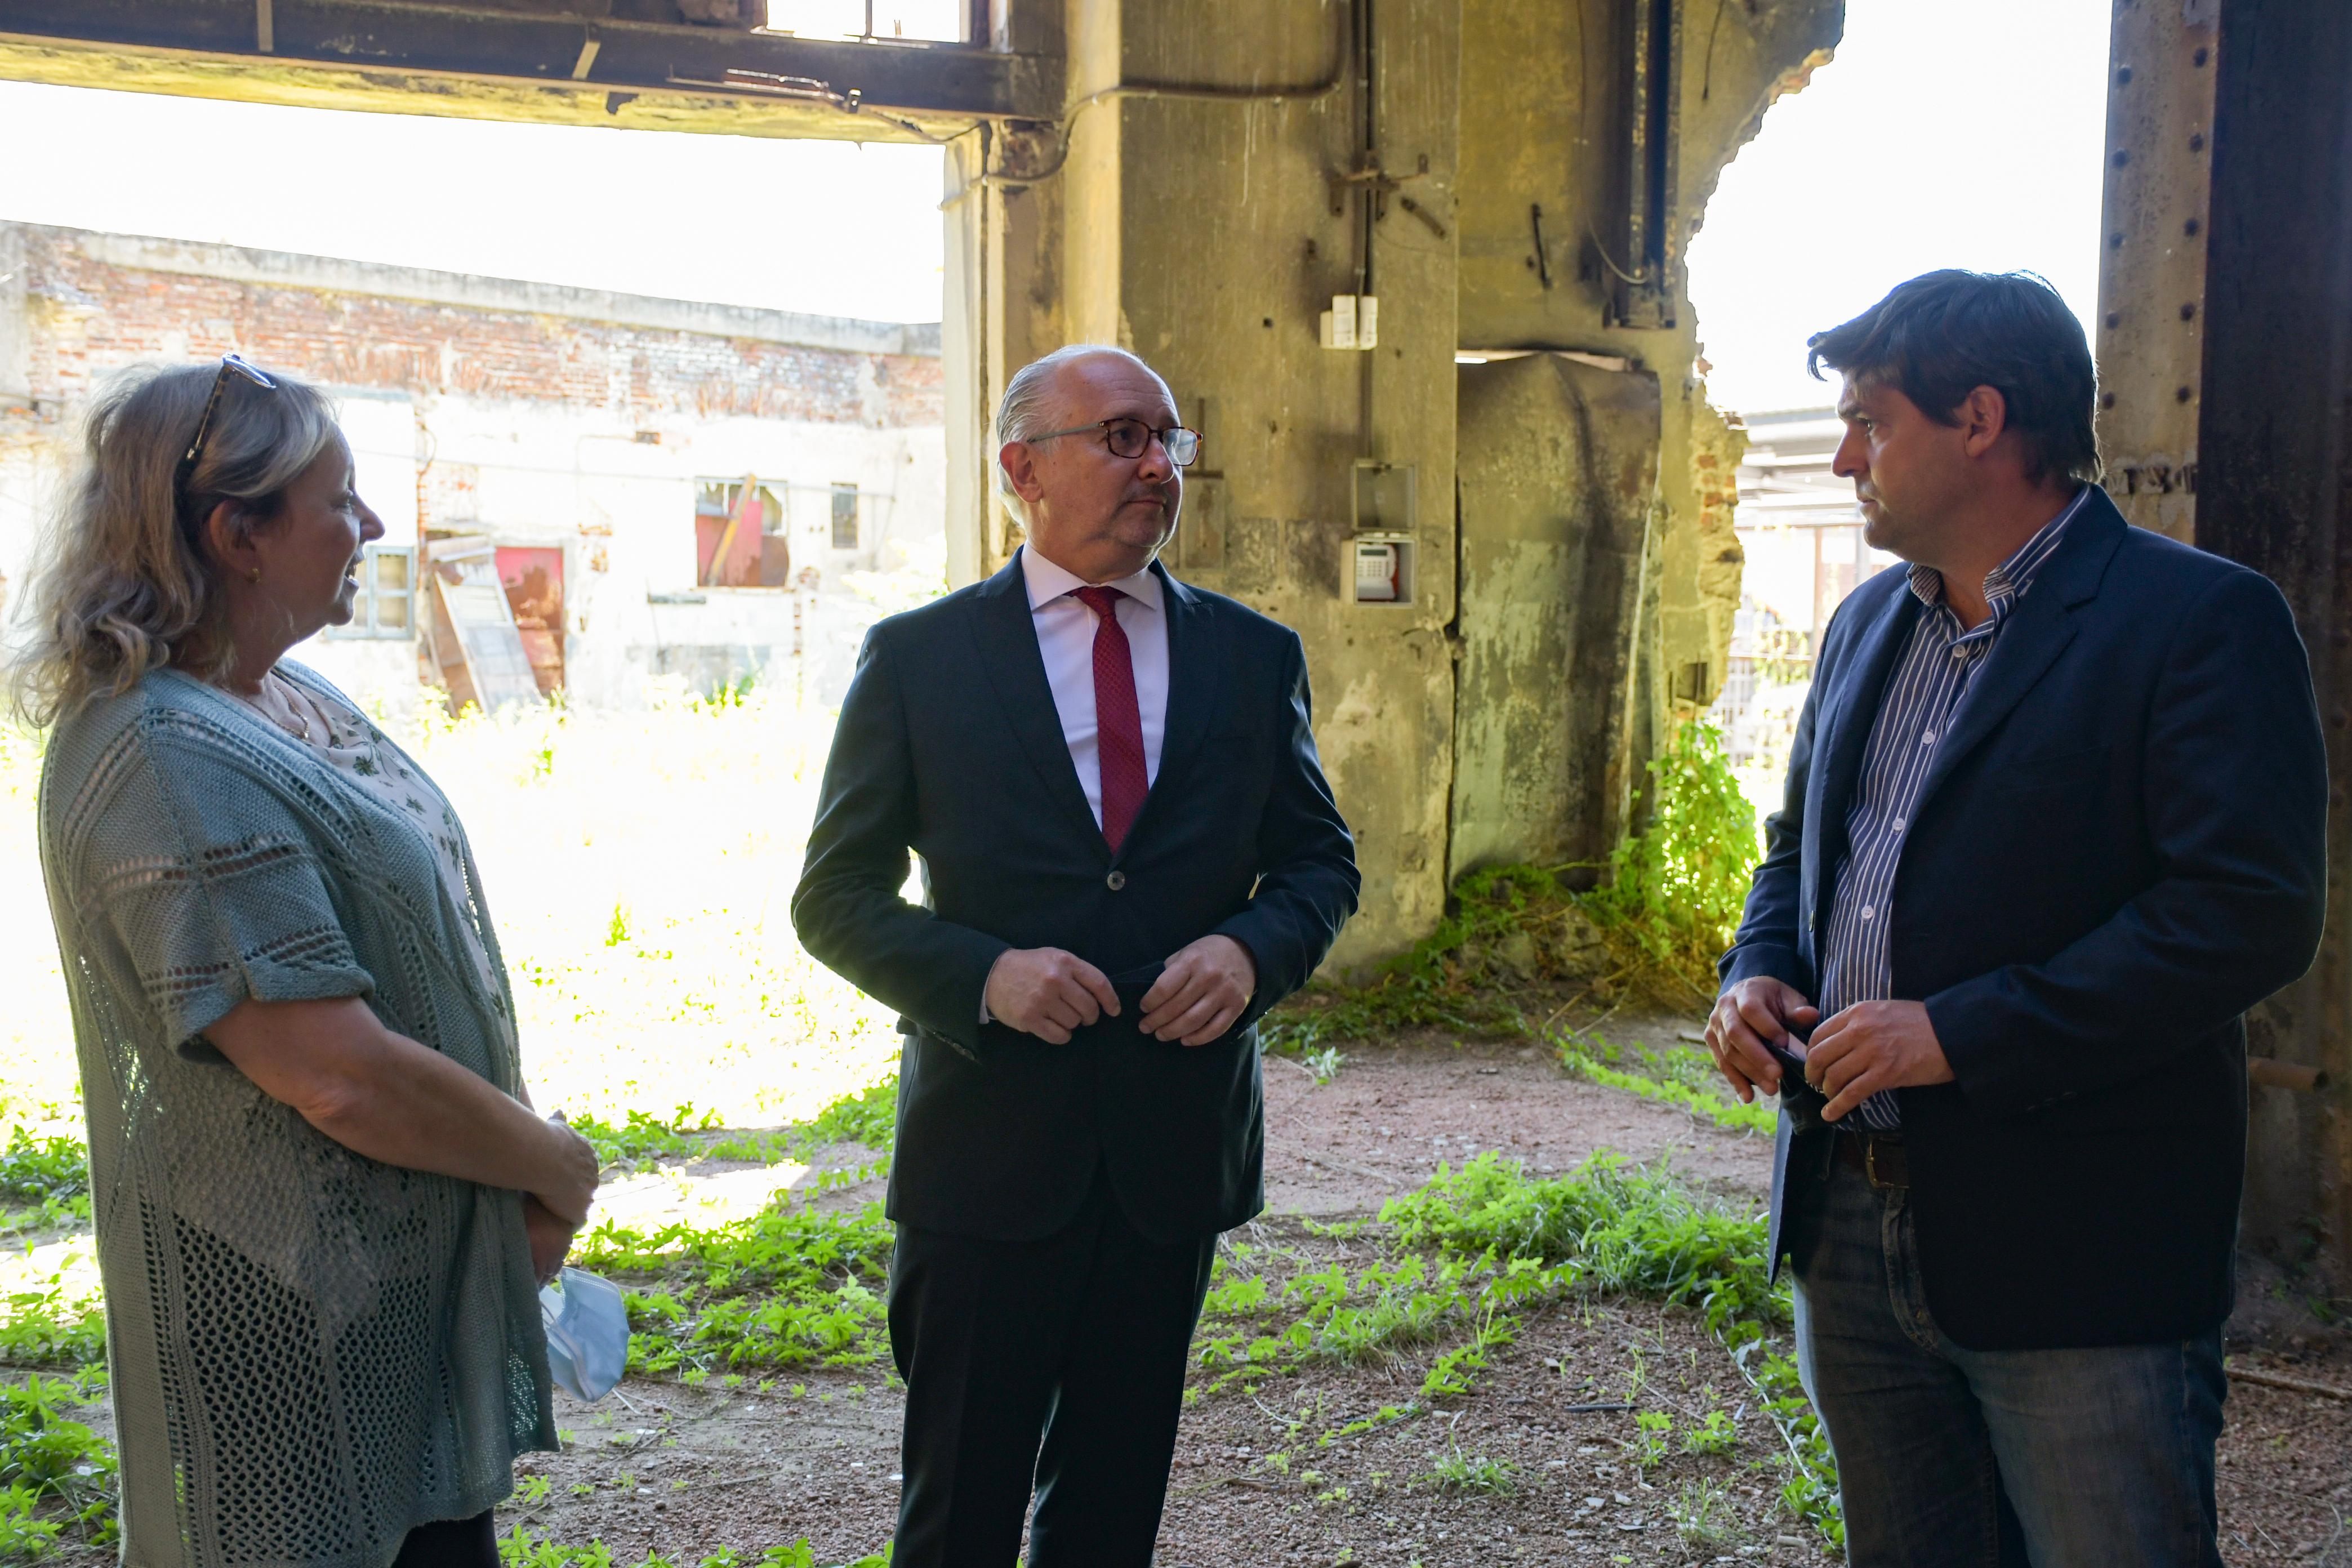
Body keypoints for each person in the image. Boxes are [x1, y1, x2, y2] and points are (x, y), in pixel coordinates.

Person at [1705, 270, 2328, 1566]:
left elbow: (2245, 915)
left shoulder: (2199, 621)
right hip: (1849, 1226)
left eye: (1871, 421)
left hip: (2078, 1245)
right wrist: (1755, 973)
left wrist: (1960, 1034)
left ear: (1980, 419)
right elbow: (1799, 855)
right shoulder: (1870, 619)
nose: (1844, 455)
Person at [18, 357, 599, 1568]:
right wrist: (552, 1165)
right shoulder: (161, 757)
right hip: (284, 1318)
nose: (371, 526)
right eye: (340, 499)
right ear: (238, 531)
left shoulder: (285, 695)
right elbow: (333, 1074)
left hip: (383, 1298)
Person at [792, 344, 1360, 1566]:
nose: (1157, 464)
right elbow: (834, 897)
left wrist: (1251, 952)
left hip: (1169, 1156)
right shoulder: (921, 661)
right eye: (1120, 437)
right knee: (959, 1516)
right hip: (989, 1158)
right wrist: (981, 977)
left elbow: (1320, 864)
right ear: (1022, 470)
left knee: (1110, 1515)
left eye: (1168, 439)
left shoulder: (1252, 659)